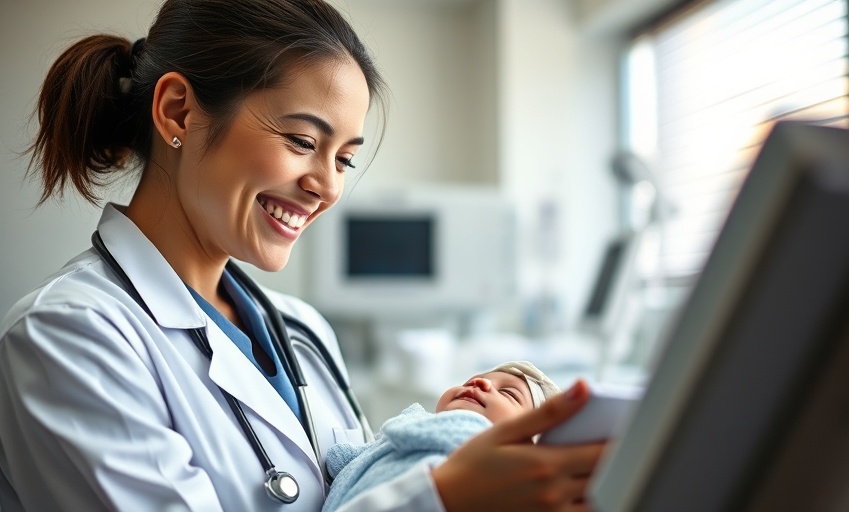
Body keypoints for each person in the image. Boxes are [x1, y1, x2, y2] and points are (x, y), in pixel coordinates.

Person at [0, 0, 605, 510]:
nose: (328, 186)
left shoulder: (303, 334)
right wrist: (441, 497)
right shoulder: (67, 337)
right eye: (302, 141)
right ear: (177, 110)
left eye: (342, 158)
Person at [323, 361, 561, 511]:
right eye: (472, 380)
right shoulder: (411, 428)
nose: (481, 383)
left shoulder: (481, 453)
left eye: (508, 393)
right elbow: (348, 461)